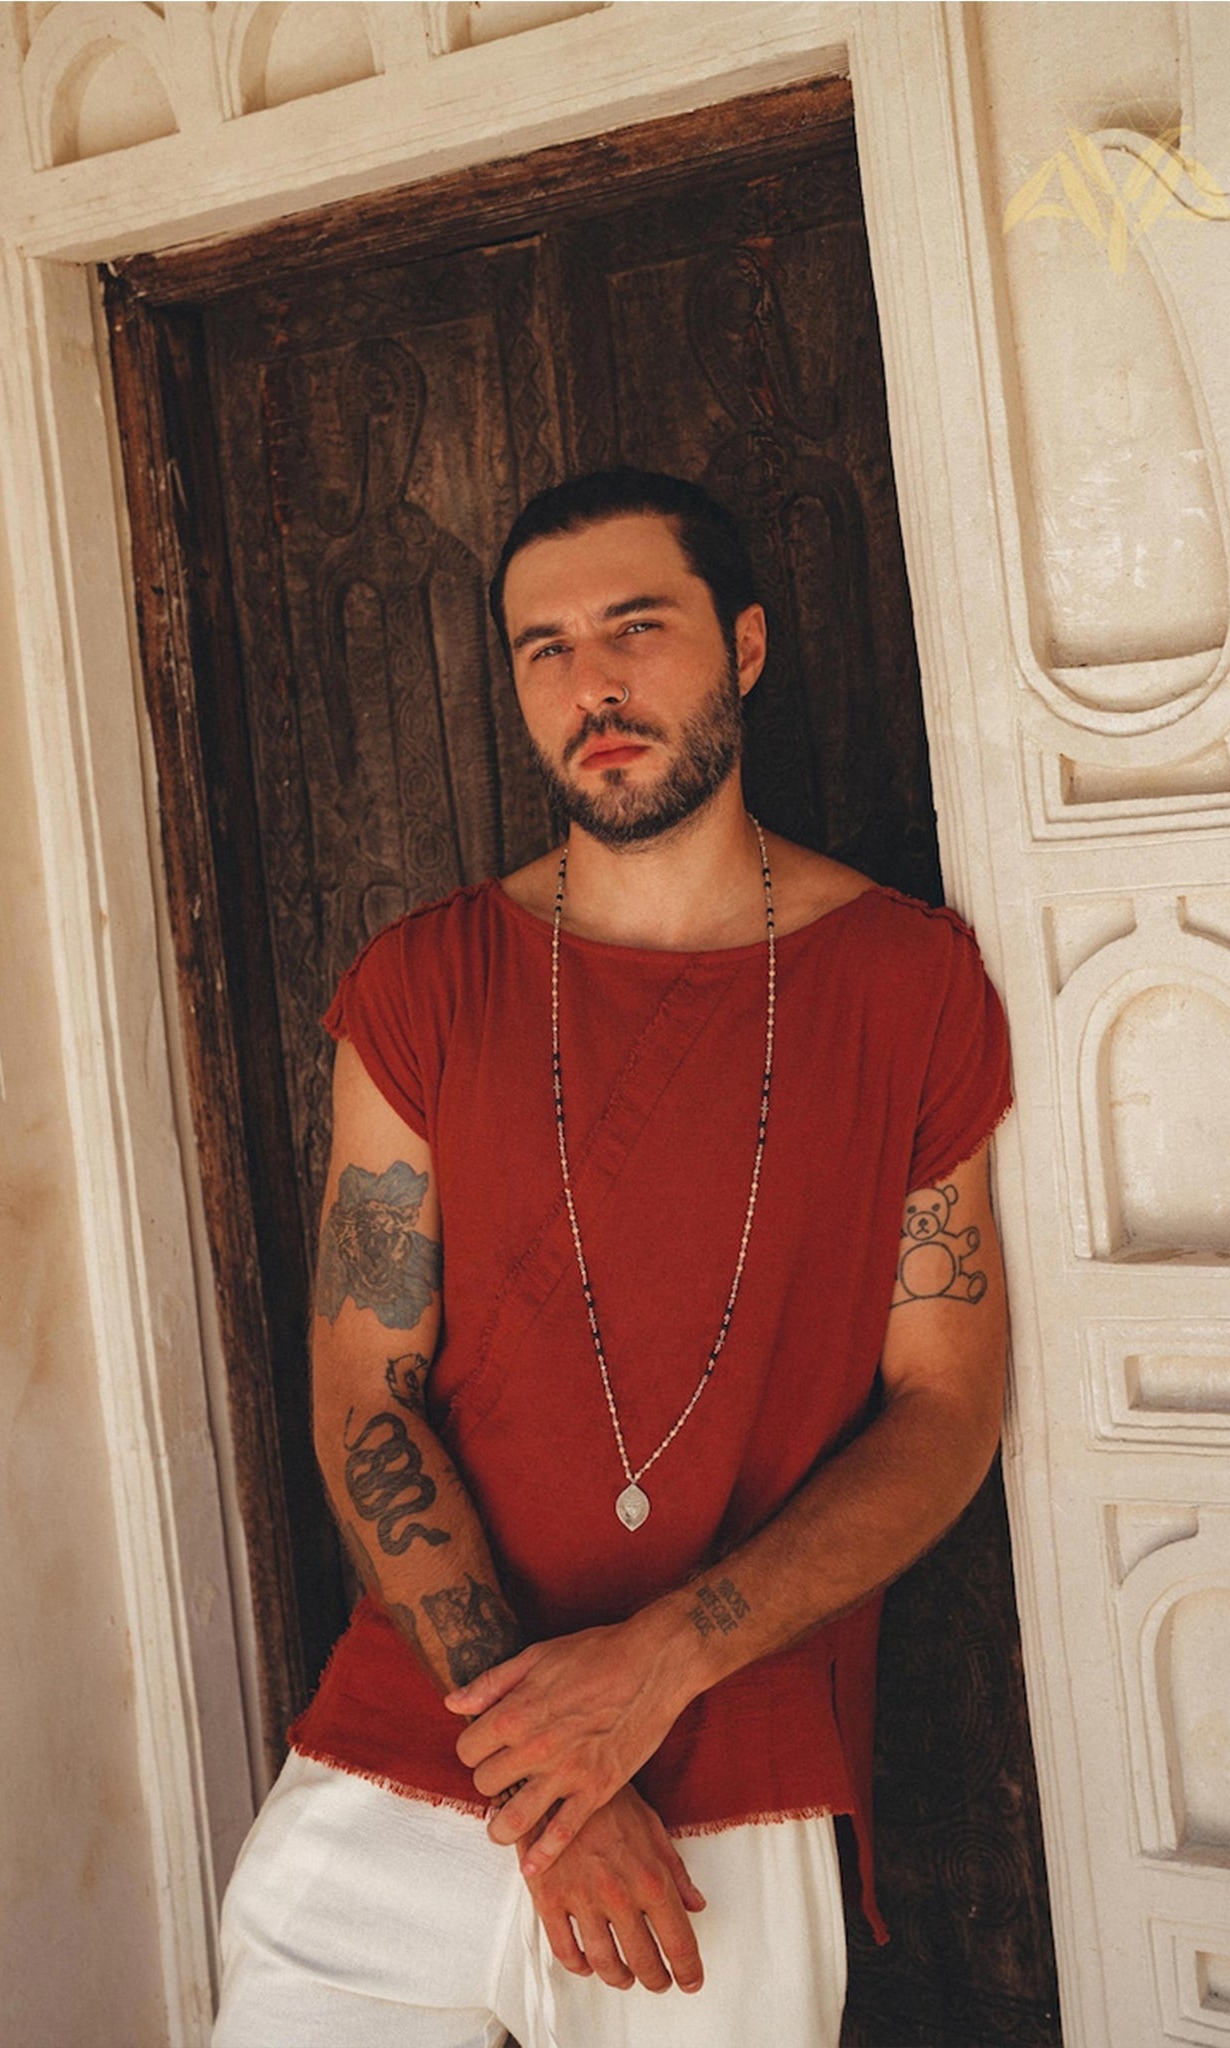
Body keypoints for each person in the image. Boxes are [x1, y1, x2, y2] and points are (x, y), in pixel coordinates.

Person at [213, 469, 1012, 2048]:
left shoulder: (905, 985)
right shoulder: (423, 985)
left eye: (636, 628)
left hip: (727, 1806)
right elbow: (363, 1400)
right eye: (544, 649)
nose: (593, 684)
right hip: (401, 1767)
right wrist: (555, 1781)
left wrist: (650, 1674)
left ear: (748, 645)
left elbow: (945, 1409)